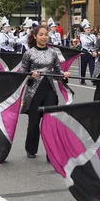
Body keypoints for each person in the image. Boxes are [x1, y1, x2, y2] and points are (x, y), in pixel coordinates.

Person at [19, 25, 71, 160]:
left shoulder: (53, 53)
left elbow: (57, 72)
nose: (44, 37)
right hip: (33, 90)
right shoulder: (28, 53)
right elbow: (22, 72)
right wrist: (31, 74)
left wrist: (64, 74)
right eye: (41, 34)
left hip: (49, 88)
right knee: (34, 122)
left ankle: (51, 151)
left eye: (46, 34)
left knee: (50, 122)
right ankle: (31, 149)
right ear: (35, 36)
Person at [79, 19, 96, 85]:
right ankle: (82, 80)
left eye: (89, 28)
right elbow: (85, 42)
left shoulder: (93, 35)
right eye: (86, 28)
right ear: (84, 29)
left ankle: (94, 80)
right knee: (83, 67)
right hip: (84, 52)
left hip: (91, 53)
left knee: (92, 67)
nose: (88, 29)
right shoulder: (82, 35)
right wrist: (92, 42)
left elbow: (96, 43)